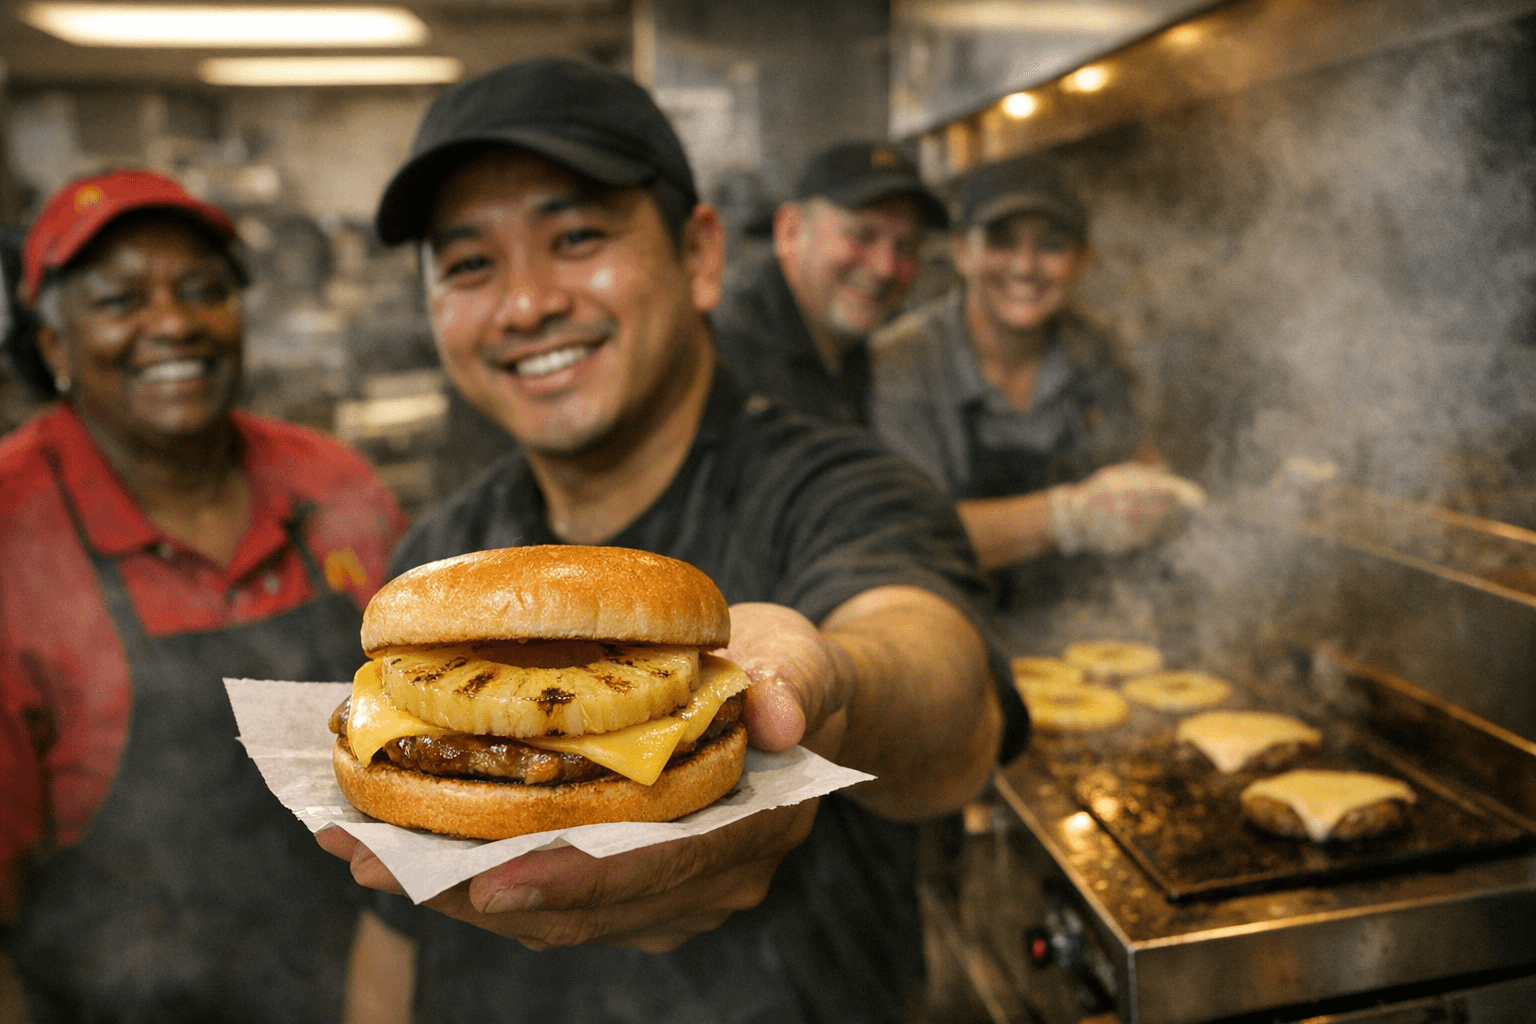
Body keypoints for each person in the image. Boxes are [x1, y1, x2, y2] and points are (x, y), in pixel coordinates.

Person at [318, 57, 1026, 1023]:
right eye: (471, 263)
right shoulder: (446, 547)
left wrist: (836, 685)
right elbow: (389, 922)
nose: (526, 304)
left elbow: (951, 698)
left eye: (575, 237)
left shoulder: (839, 481)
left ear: (700, 256)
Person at [0, 169, 408, 1020]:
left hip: (365, 987)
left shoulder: (334, 486)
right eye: (119, 300)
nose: (175, 323)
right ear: (53, 348)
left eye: (203, 290)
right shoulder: (13, 533)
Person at [869, 155, 1202, 607]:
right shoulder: (901, 364)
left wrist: (1150, 496)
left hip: (1080, 623)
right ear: (963, 251)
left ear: (1082, 260)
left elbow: (1136, 455)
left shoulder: (1098, 350)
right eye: (1002, 242)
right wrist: (1071, 517)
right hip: (946, 625)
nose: (1025, 267)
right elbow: (908, 533)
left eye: (1052, 245)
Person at [711, 141, 948, 426]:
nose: (885, 268)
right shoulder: (724, 359)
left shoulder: (857, 354)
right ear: (791, 231)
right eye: (863, 235)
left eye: (906, 246)